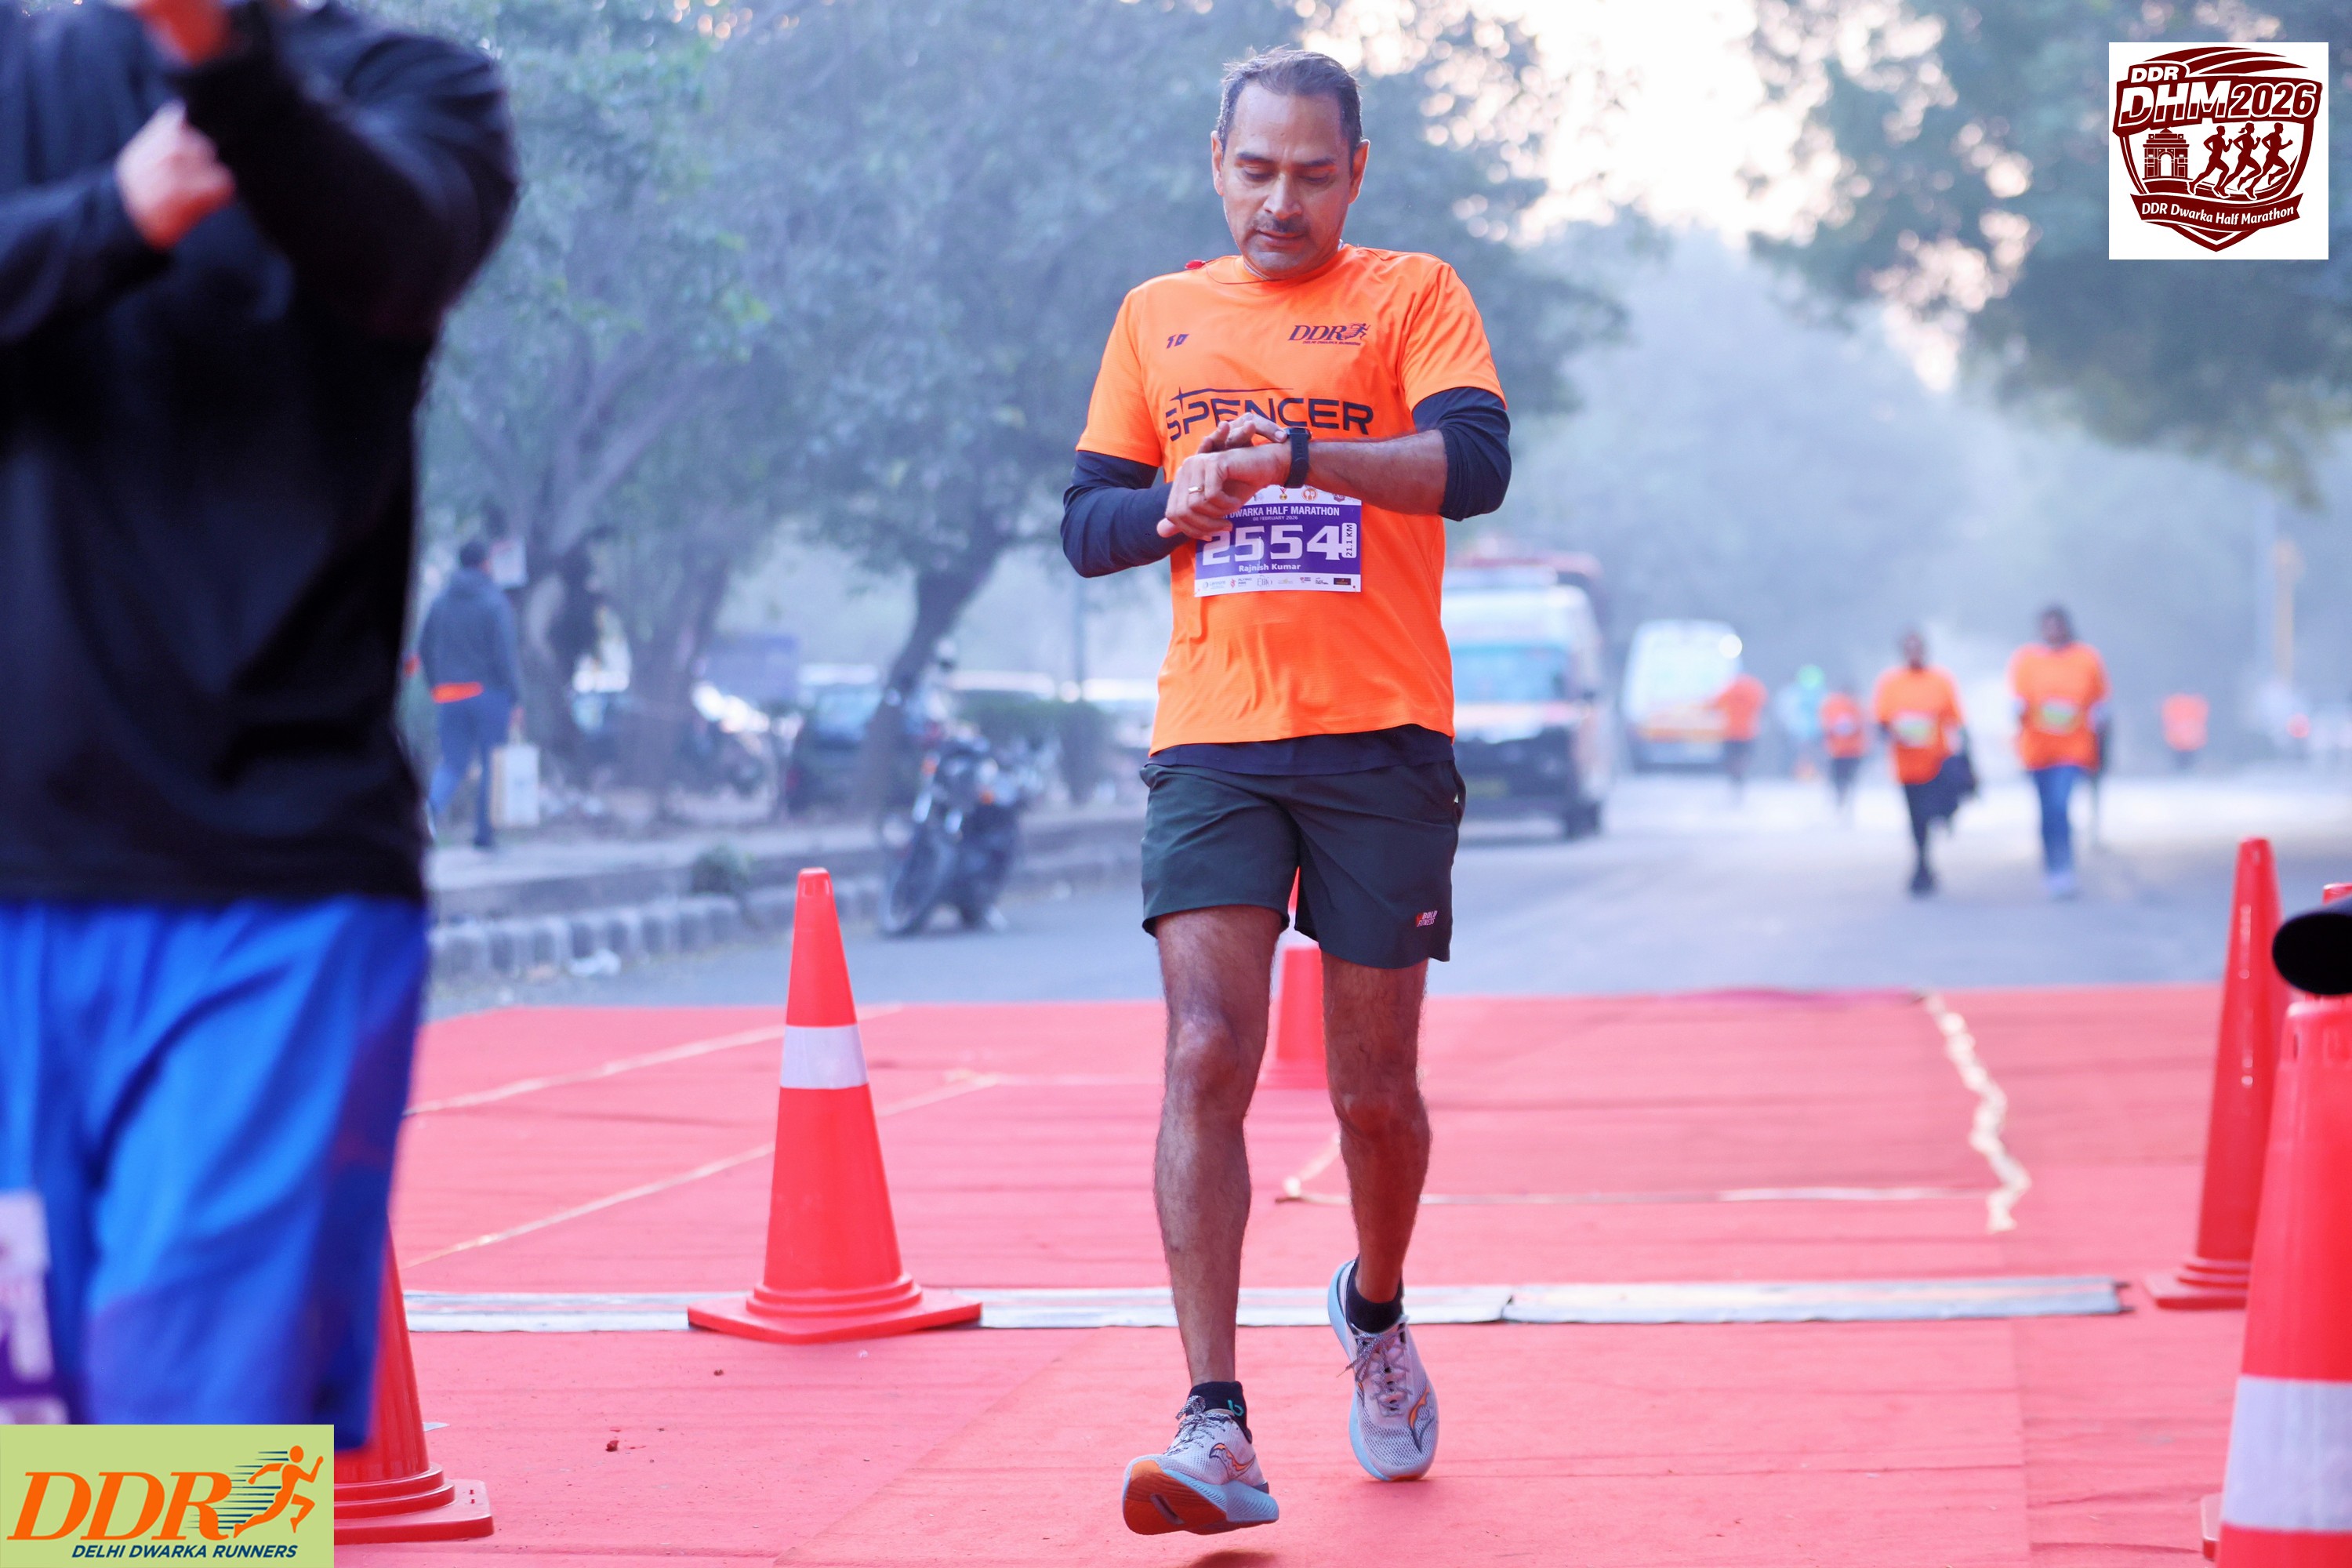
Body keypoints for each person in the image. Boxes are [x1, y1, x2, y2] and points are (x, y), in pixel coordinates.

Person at [0, 0, 515, 1436]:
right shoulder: (22, 78)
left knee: (185, 1446)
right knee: (31, 1427)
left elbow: (400, 253)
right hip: (16, 871)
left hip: (275, 891)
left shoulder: (414, 90)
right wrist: (114, 215)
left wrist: (224, 73)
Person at [1061, 47, 1511, 1535]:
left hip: (1383, 736)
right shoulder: (1156, 314)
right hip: (1216, 738)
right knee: (1205, 1054)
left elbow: (1477, 465)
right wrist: (1171, 503)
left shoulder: (1414, 294)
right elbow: (1087, 524)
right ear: (1217, 162)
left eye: (1313, 174)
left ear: (1355, 173)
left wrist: (1302, 456)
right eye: (1256, 170)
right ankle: (1215, 1420)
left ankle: (1373, 1307)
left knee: (1376, 1097)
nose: (1281, 200)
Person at [419, 539, 524, 849]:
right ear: (486, 564)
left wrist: (435, 685)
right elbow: (505, 655)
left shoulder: (441, 602)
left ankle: (426, 813)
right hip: (488, 694)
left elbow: (424, 646)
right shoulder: (494, 602)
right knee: (492, 762)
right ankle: (485, 836)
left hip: (450, 693)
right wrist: (516, 698)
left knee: (453, 763)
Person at [2008, 605, 2109, 900]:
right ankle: (2051, 865)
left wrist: (2100, 743)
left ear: (2067, 627)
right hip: (2038, 751)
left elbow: (2100, 704)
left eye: (2057, 625)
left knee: (2060, 806)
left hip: (2073, 749)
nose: (2053, 631)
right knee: (2046, 812)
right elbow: (2018, 702)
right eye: (2047, 626)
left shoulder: (2086, 658)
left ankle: (2065, 867)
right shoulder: (2026, 660)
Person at [1872, 632, 1965, 896]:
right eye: (1909, 648)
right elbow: (1882, 721)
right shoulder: (1891, 683)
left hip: (1936, 761)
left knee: (1932, 812)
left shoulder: (1940, 681)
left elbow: (1955, 719)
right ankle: (1922, 863)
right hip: (1907, 764)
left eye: (1918, 648)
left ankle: (1925, 860)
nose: (1914, 653)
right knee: (1916, 817)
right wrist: (1896, 731)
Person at [1709, 670, 1768, 799]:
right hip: (1748, 732)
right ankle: (1740, 777)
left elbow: (1715, 704)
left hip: (1731, 732)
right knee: (1743, 758)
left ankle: (1735, 778)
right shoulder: (1754, 689)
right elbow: (1762, 705)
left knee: (1731, 758)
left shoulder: (1729, 689)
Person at [1818, 684, 1868, 818]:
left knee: (1845, 779)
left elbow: (1863, 725)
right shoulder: (1842, 705)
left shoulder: (1853, 706)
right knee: (1840, 779)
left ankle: (1844, 804)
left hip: (1849, 751)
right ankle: (1840, 803)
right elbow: (1826, 725)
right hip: (1841, 751)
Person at [2162, 691, 2209, 771]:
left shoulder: (2173, 703)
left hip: (2183, 741)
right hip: (2182, 742)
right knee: (2184, 764)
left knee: (2186, 764)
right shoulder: (2196, 703)